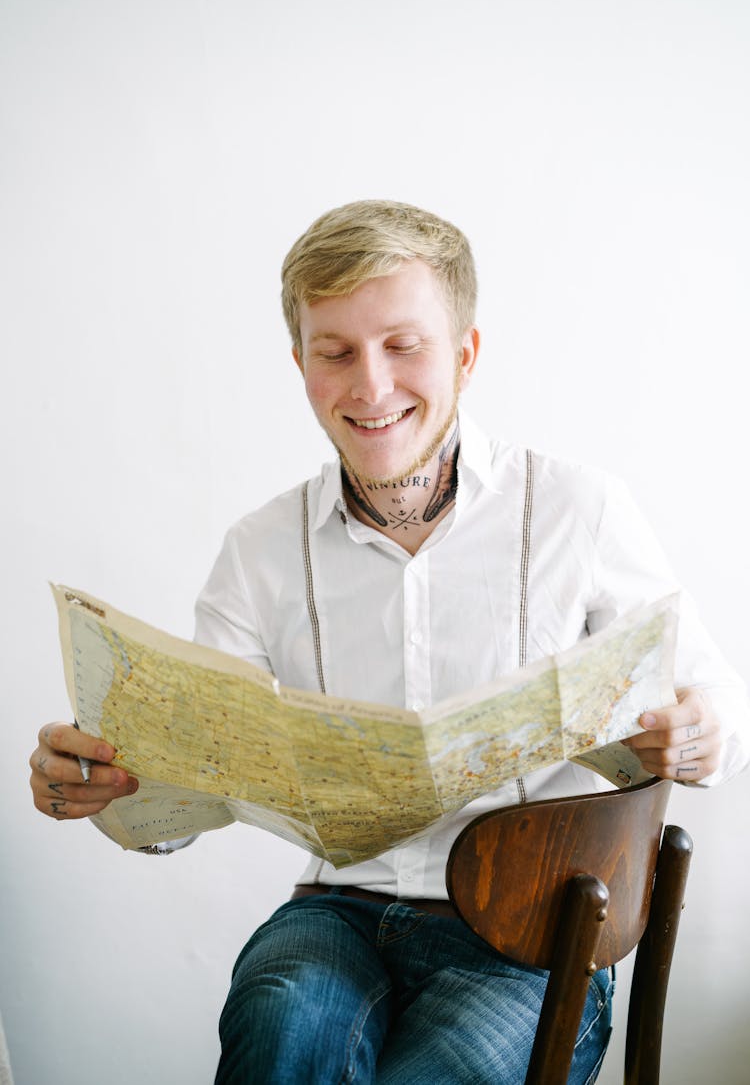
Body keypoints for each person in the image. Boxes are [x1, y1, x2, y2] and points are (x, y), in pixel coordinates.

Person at [30, 200, 749, 1083]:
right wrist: (109, 785)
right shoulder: (257, 552)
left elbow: (716, 703)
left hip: (527, 935)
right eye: (335, 352)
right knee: (278, 1024)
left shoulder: (579, 511)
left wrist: (701, 726)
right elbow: (196, 777)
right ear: (300, 366)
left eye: (403, 345)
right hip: (336, 914)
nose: (370, 387)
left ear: (466, 355)